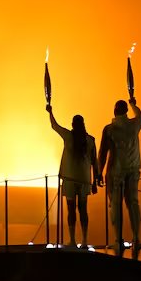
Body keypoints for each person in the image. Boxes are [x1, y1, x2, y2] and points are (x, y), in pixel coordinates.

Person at [47, 104, 98, 247]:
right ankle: (85, 240)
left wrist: (50, 112)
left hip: (70, 179)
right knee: (83, 209)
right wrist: (95, 181)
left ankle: (73, 240)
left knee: (71, 209)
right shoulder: (91, 140)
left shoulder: (68, 136)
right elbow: (95, 161)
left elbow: (54, 126)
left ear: (73, 125)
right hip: (84, 180)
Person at [98, 97, 141, 256]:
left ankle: (118, 240)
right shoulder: (135, 125)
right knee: (133, 203)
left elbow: (103, 152)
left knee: (115, 205)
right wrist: (133, 104)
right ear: (126, 111)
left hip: (116, 171)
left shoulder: (109, 129)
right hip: (133, 169)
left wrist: (98, 172)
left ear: (115, 111)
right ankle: (136, 238)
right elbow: (140, 115)